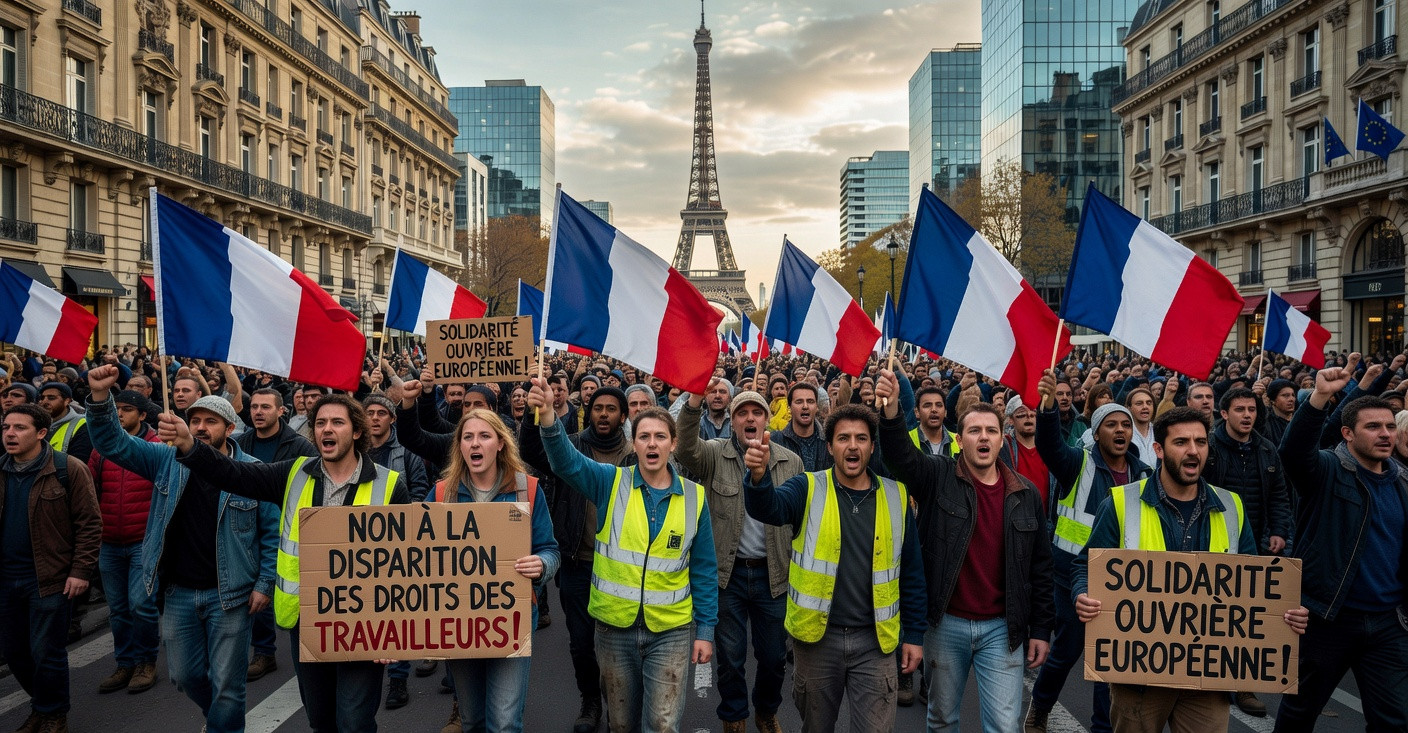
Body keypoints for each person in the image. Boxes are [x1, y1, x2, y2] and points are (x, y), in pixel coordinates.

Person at [165, 393, 409, 733]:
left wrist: (394, 632)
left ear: (356, 432)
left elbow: (408, 564)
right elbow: (232, 474)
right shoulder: (293, 474)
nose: (327, 429)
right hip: (308, 621)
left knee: (354, 721)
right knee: (320, 719)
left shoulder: (390, 484)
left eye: (337, 422)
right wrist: (190, 445)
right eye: (320, 423)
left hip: (364, 625)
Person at [1073, 407, 1310, 731]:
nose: (1193, 450)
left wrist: (1284, 612)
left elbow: (1255, 583)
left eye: (1200, 442)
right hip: (1138, 677)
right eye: (1181, 442)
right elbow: (1085, 566)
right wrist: (1082, 594)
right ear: (1159, 449)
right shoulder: (1120, 503)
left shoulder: (1231, 506)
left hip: (1208, 678)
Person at [85, 367, 276, 733]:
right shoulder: (165, 460)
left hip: (231, 594)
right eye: (196, 420)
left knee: (228, 688)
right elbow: (114, 444)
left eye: (211, 421)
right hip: (178, 593)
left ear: (230, 428)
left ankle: (223, 726)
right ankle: (219, 720)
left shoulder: (253, 471)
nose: (201, 427)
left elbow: (270, 533)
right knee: (186, 677)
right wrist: (98, 398)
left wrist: (264, 583)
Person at [527, 378, 718, 733]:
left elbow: (704, 568)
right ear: (634, 442)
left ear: (673, 444)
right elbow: (567, 464)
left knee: (662, 725)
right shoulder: (610, 481)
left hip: (671, 630)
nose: (652, 443)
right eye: (644, 436)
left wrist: (705, 630)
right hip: (614, 628)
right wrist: (550, 417)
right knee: (622, 724)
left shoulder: (695, 498)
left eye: (660, 437)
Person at [876, 371, 1053, 732]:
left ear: (1003, 440)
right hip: (946, 624)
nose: (983, 438)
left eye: (990, 431)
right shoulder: (937, 475)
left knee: (1004, 725)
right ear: (960, 440)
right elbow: (901, 458)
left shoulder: (1026, 495)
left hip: (1003, 629)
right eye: (974, 431)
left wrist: (1042, 629)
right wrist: (892, 411)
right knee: (942, 719)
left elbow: (1040, 567)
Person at [742, 404, 926, 733]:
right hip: (817, 642)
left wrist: (913, 635)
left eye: (861, 438)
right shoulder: (806, 487)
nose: (852, 446)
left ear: (872, 446)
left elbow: (911, 573)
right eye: (843, 438)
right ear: (830, 447)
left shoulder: (897, 496)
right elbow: (769, 508)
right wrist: (758, 476)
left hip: (876, 642)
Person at [1273, 369, 1408, 731]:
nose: (1385, 435)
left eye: (1390, 427)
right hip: (1327, 618)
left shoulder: (1403, 481)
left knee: (1394, 720)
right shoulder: (1328, 470)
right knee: (1299, 713)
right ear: (1347, 434)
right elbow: (1293, 451)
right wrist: (1318, 399)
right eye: (1373, 427)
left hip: (1388, 623)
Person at [1027, 370, 1153, 733]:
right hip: (1072, 579)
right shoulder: (1077, 464)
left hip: (1124, 584)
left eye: (1125, 425)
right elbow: (1049, 444)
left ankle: (1102, 728)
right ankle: (1041, 704)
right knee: (1066, 653)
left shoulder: (1144, 476)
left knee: (1109, 661)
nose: (1119, 431)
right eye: (1110, 424)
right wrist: (1047, 406)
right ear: (1095, 432)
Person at [421, 400, 558, 733]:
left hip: (511, 617)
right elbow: (419, 561)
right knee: (472, 719)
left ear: (500, 443)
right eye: (468, 437)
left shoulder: (528, 489)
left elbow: (550, 549)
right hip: (458, 620)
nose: (475, 443)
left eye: (484, 436)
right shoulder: (441, 494)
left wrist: (540, 564)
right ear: (459, 447)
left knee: (505, 720)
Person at [676, 384, 801, 733]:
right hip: (727, 576)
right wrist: (694, 401)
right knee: (730, 659)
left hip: (773, 575)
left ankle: (765, 710)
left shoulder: (790, 462)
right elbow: (685, 449)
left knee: (775, 657)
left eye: (757, 412)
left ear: (767, 421)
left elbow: (798, 519)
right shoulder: (714, 454)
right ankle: (734, 715)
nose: (749, 418)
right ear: (732, 422)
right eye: (741, 413)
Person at [517, 383, 635, 733]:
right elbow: (532, 449)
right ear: (588, 412)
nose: (603, 414)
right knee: (582, 643)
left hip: (621, 569)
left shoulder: (634, 456)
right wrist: (532, 413)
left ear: (623, 416)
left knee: (618, 643)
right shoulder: (569, 446)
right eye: (597, 408)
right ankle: (590, 701)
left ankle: (619, 704)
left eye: (611, 409)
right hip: (577, 563)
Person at [0, 402, 101, 733]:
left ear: (42, 433)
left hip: (50, 578)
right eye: (6, 428)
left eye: (19, 428)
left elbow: (89, 524)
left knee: (47, 651)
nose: (10, 434)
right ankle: (43, 706)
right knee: (15, 652)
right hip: (7, 579)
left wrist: (81, 570)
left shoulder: (67, 469)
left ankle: (52, 713)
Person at [235, 388, 317, 683]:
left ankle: (266, 651)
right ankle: (259, 648)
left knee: (274, 584)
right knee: (250, 585)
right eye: (254, 406)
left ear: (281, 411)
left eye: (265, 407)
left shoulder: (299, 446)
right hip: (245, 522)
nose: (258, 412)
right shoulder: (241, 443)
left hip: (286, 525)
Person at [360, 394, 432, 709]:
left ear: (392, 419)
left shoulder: (409, 454)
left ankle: (398, 678)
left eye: (381, 413)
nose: (374, 418)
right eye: (369, 413)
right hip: (360, 547)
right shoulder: (353, 453)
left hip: (398, 544)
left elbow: (419, 491)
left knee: (397, 611)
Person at [89, 390, 162, 696]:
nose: (120, 414)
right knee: (118, 610)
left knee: (142, 605)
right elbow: (90, 491)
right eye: (116, 408)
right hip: (109, 542)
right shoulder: (101, 448)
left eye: (128, 409)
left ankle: (146, 662)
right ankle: (125, 662)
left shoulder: (158, 447)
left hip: (142, 542)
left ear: (143, 415)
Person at [770, 383, 827, 471]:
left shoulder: (828, 441)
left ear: (816, 407)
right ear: (790, 407)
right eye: (799, 402)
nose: (805, 406)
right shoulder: (775, 441)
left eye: (810, 401)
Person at [40, 382, 91, 463]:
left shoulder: (82, 424)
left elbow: (79, 461)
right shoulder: (36, 423)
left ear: (67, 401)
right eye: (42, 398)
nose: (44, 401)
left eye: (51, 398)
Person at [911, 386, 958, 456]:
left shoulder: (959, 441)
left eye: (939, 405)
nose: (934, 409)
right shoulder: (906, 440)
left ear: (945, 412)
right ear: (917, 412)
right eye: (927, 405)